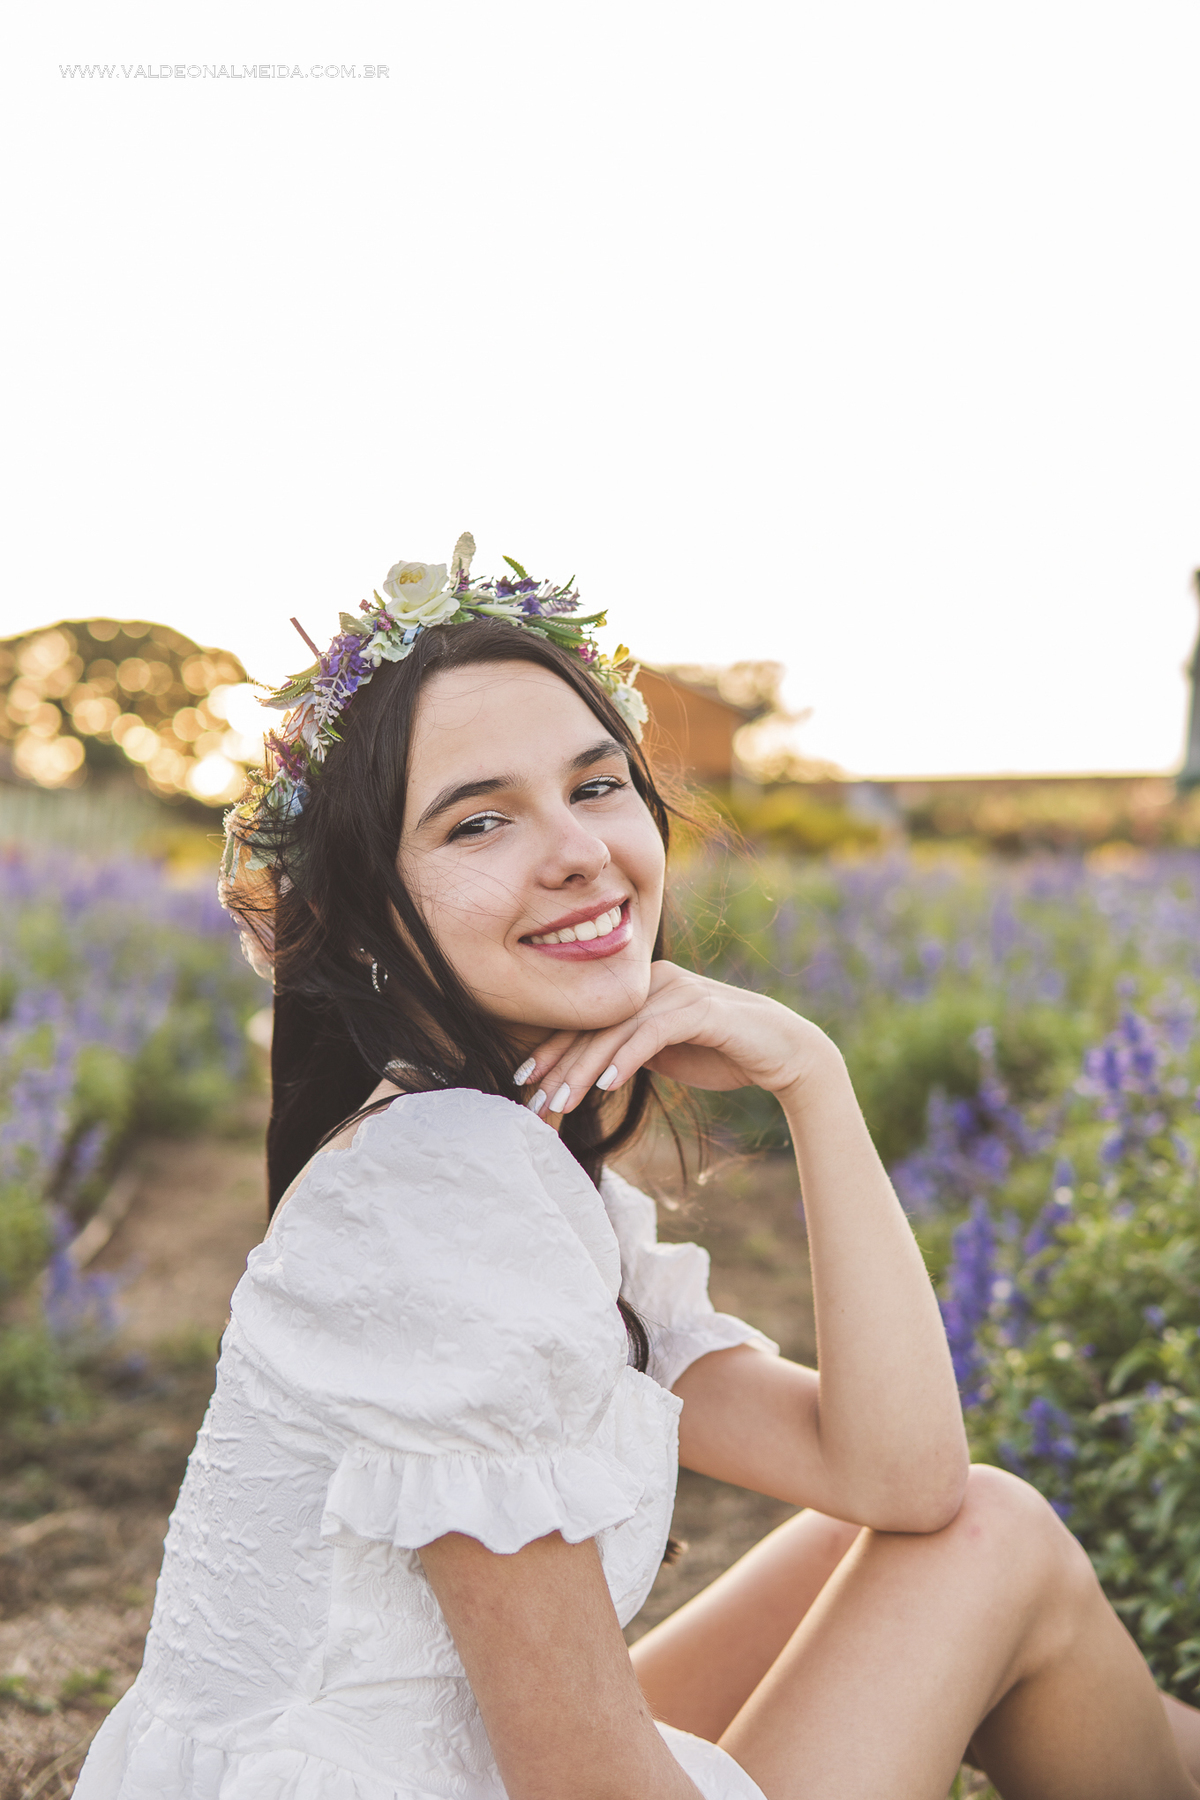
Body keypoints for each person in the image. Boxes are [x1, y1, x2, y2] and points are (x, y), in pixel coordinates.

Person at [76, 536, 1200, 1800]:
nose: (579, 852)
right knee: (1001, 1545)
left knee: (952, 1523)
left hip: (395, 1761)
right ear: (367, 914)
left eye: (598, 785)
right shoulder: (448, 1198)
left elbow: (899, 1478)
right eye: (481, 820)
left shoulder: (478, 1144)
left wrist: (814, 1082)